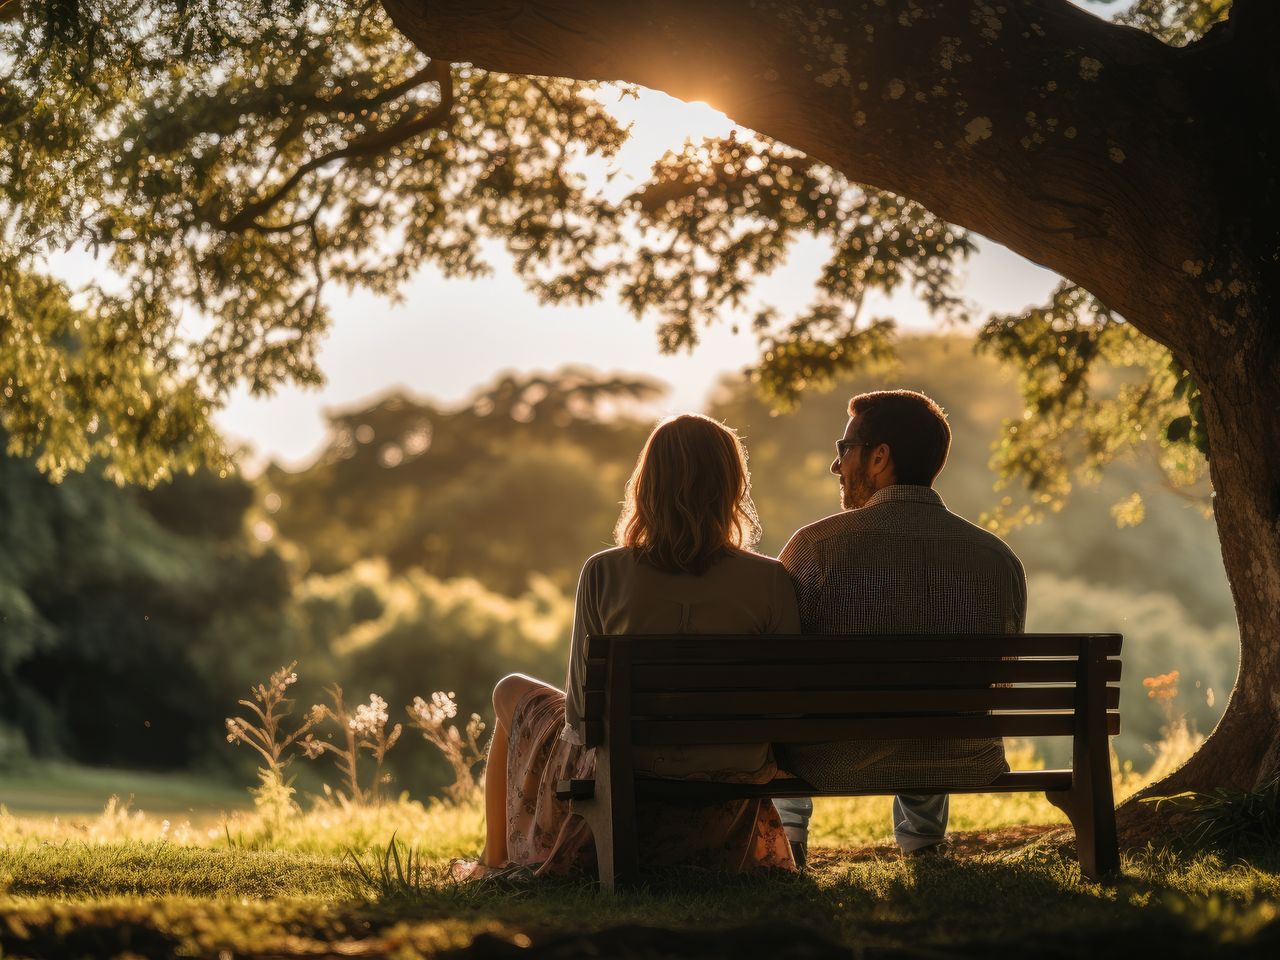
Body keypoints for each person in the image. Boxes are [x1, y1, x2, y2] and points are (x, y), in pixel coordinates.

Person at [458, 413, 800, 881]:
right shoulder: (771, 580)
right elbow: (787, 708)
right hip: (733, 775)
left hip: (628, 771)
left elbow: (581, 721)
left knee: (509, 689)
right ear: (732, 486)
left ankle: (491, 861)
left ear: (647, 484)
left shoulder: (604, 572)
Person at [773, 390, 1026, 868]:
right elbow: (999, 675)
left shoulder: (816, 547)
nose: (836, 466)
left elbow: (778, 668)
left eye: (843, 450)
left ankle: (790, 835)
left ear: (879, 457)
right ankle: (924, 842)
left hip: (830, 759)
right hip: (959, 754)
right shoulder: (997, 560)